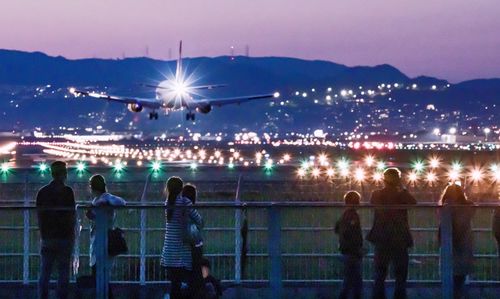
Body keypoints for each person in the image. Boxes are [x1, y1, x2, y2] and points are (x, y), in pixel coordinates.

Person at [366, 168, 416, 299]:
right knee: (401, 273)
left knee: (380, 272)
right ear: (398, 180)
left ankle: (378, 296)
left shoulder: (376, 194)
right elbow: (413, 203)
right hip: (399, 237)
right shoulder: (402, 195)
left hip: (382, 237)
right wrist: (402, 188)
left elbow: (372, 204)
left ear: (384, 179)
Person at [36, 161, 76, 299]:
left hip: (47, 237)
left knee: (45, 271)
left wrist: (43, 233)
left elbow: (39, 214)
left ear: (52, 174)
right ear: (64, 174)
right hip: (64, 237)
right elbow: (72, 214)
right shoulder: (67, 192)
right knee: (63, 271)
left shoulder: (42, 192)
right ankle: (61, 296)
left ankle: (43, 296)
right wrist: (72, 234)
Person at [161, 177, 203, 299]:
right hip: (182, 251)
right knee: (188, 282)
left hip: (169, 251)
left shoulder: (168, 203)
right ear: (181, 189)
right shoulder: (185, 202)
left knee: (174, 284)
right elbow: (199, 220)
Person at [86, 174, 126, 299]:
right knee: (100, 274)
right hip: (98, 239)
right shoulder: (97, 200)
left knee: (99, 272)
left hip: (103, 240)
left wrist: (105, 202)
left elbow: (121, 202)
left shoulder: (105, 198)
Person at [439, 183, 475, 299]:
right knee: (460, 276)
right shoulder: (468, 208)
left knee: (450, 275)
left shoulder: (446, 208)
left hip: (450, 244)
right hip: (464, 244)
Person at [335, 191, 363, 299]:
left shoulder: (344, 215)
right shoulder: (353, 215)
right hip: (353, 252)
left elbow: (337, 229)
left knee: (348, 279)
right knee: (356, 281)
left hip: (345, 251)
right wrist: (358, 249)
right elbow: (351, 234)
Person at [182, 184, 205, 297]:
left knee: (185, 271)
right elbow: (200, 221)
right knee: (196, 269)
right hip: (194, 243)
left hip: (182, 243)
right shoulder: (189, 205)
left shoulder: (178, 206)